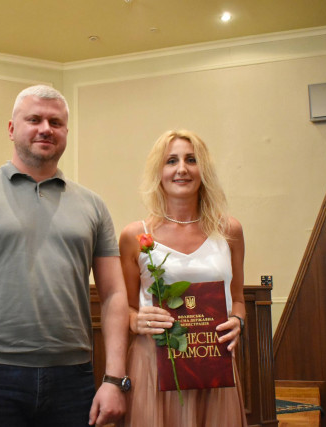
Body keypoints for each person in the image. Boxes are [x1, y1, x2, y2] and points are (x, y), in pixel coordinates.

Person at [0, 85, 130, 427]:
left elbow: (114, 295)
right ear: (11, 128)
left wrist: (114, 379)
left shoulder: (93, 206)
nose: (45, 128)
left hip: (73, 377)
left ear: (66, 132)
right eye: (34, 119)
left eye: (55, 122)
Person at [119, 129, 248, 426]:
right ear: (159, 172)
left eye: (191, 160)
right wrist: (135, 321)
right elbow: (124, 307)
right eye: (171, 161)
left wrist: (238, 322)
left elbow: (239, 300)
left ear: (204, 170)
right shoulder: (134, 235)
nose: (182, 169)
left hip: (212, 360)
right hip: (154, 363)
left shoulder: (229, 230)